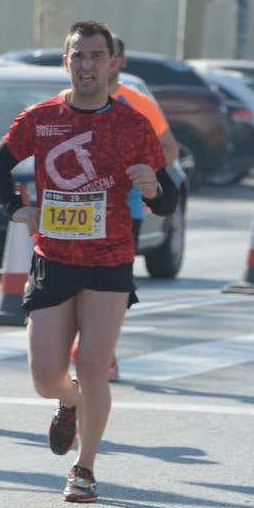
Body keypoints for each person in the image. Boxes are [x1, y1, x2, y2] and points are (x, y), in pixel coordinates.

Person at [0, 21, 177, 503]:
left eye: (97, 56)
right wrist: (16, 209)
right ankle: (67, 402)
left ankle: (84, 468)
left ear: (112, 63)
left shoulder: (133, 125)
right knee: (45, 376)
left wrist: (153, 189)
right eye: (78, 56)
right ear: (66, 61)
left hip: (109, 261)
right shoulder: (41, 118)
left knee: (94, 366)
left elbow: (167, 197)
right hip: (54, 258)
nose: (87, 65)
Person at [69, 32, 181, 380]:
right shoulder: (65, 100)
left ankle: (105, 351)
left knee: (112, 286)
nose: (100, 63)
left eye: (108, 55)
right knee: (71, 282)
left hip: (124, 207)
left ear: (118, 61)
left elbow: (170, 149)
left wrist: (147, 181)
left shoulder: (137, 103)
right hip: (76, 207)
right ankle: (79, 343)